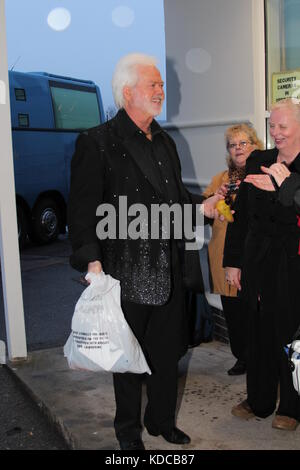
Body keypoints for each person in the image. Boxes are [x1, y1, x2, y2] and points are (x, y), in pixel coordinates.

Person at [67, 52, 221, 450]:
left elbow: (173, 200)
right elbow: (82, 211)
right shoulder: (97, 142)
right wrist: (91, 261)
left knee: (168, 353)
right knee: (127, 360)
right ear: (127, 92)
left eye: (161, 84)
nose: (161, 91)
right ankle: (128, 433)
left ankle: (161, 422)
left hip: (169, 266)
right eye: (153, 84)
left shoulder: (165, 140)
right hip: (124, 270)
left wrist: (202, 207)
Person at [223, 98, 300, 431]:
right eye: (272, 125)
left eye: (283, 126)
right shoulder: (259, 160)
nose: (276, 132)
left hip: (291, 265)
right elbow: (240, 219)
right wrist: (232, 262)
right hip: (256, 262)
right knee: (257, 334)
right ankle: (259, 400)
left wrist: (285, 187)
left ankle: (292, 408)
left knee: (289, 335)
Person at [202, 124, 263, 375]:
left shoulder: (262, 175)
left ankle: (260, 360)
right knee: (233, 313)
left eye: (243, 143)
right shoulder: (221, 178)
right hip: (222, 254)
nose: (238, 149)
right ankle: (242, 357)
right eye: (232, 145)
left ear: (255, 144)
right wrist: (214, 202)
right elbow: (204, 212)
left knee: (255, 313)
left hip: (252, 256)